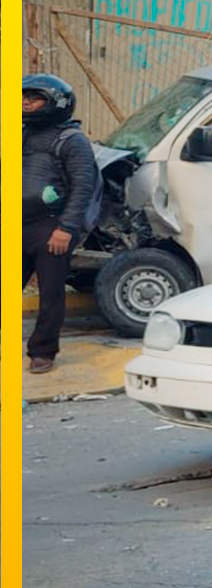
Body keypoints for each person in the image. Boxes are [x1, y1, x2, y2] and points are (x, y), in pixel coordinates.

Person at [23, 74, 99, 374]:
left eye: (35, 97)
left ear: (56, 102)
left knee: (50, 293)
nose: (26, 102)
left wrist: (66, 228)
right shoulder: (22, 133)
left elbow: (83, 186)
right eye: (24, 96)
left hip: (50, 227)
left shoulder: (72, 140)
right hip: (17, 224)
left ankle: (43, 351)